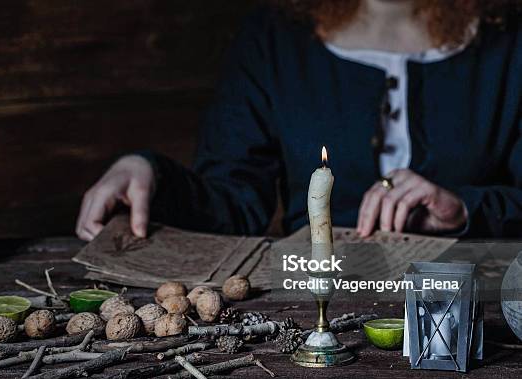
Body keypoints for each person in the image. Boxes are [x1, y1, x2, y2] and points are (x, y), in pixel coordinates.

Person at [76, 0, 521, 241]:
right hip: (307, 300)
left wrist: (465, 208)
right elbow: (234, 202)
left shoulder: (510, 40)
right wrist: (148, 171)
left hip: (477, 304)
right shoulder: (273, 36)